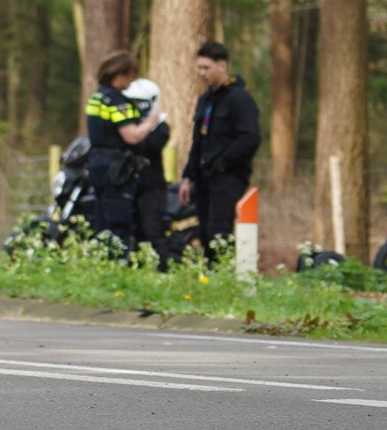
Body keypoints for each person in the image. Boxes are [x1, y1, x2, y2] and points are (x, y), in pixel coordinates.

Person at [179, 41, 261, 263]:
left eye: (206, 68)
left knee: (219, 231)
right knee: (205, 232)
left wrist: (222, 162)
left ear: (222, 66)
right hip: (204, 178)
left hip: (228, 177)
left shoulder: (240, 100)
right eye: (199, 68)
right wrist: (188, 176)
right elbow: (197, 141)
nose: (202, 73)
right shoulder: (205, 100)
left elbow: (250, 138)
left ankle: (225, 275)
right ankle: (209, 278)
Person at [84, 51, 163, 254]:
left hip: (97, 163)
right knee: (118, 221)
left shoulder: (97, 97)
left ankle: (101, 262)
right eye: (131, 75)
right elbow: (132, 136)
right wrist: (150, 123)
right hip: (115, 168)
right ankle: (117, 266)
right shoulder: (118, 101)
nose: (132, 80)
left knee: (102, 218)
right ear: (122, 74)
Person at [122, 76, 175, 267]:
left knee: (152, 230)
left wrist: (144, 126)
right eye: (132, 103)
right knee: (131, 231)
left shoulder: (160, 126)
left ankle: (163, 269)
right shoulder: (128, 126)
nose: (135, 107)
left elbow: (149, 145)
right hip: (130, 186)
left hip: (152, 188)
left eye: (139, 103)